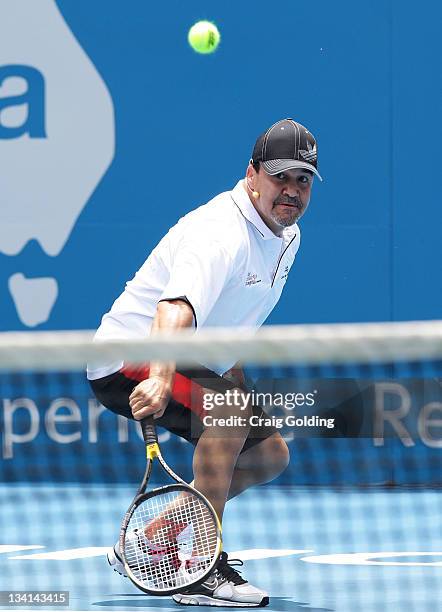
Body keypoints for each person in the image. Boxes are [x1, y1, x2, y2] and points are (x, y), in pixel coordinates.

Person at [87, 118, 322, 607]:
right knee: (229, 414)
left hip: (186, 360)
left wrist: (232, 384)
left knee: (268, 455)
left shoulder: (286, 237)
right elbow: (175, 309)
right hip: (132, 357)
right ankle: (199, 570)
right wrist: (161, 377)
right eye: (281, 177)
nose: (292, 192)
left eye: (303, 181)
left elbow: (230, 327)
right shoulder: (220, 233)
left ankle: (151, 540)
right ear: (251, 173)